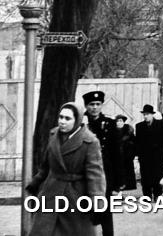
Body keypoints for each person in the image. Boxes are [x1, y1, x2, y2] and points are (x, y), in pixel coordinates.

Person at [26, 101, 106, 236]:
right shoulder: (53, 135)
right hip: (50, 192)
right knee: (42, 230)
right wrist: (36, 182)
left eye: (67, 118)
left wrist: (97, 203)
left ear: (77, 120)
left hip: (75, 197)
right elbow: (46, 165)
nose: (62, 121)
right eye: (61, 117)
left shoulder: (90, 141)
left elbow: (95, 175)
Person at [83, 90, 120, 235]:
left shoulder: (110, 124)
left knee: (105, 210)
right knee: (85, 210)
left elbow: (116, 152)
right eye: (91, 104)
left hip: (105, 174)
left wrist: (118, 181)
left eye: (98, 104)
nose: (94, 107)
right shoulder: (81, 124)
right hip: (85, 172)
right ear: (86, 106)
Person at [135, 104, 163, 201]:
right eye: (144, 114)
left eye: (148, 114)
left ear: (152, 115)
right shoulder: (139, 126)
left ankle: (158, 194)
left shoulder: (161, 124)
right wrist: (138, 155)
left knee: (158, 175)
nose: (146, 116)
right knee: (145, 177)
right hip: (145, 156)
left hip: (158, 156)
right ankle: (147, 195)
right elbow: (138, 142)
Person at [115, 115, 137, 191]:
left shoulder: (129, 131)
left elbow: (134, 143)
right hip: (117, 156)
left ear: (124, 122)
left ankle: (128, 186)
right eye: (117, 121)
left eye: (121, 121)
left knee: (127, 172)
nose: (119, 123)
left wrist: (131, 153)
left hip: (127, 156)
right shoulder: (113, 131)